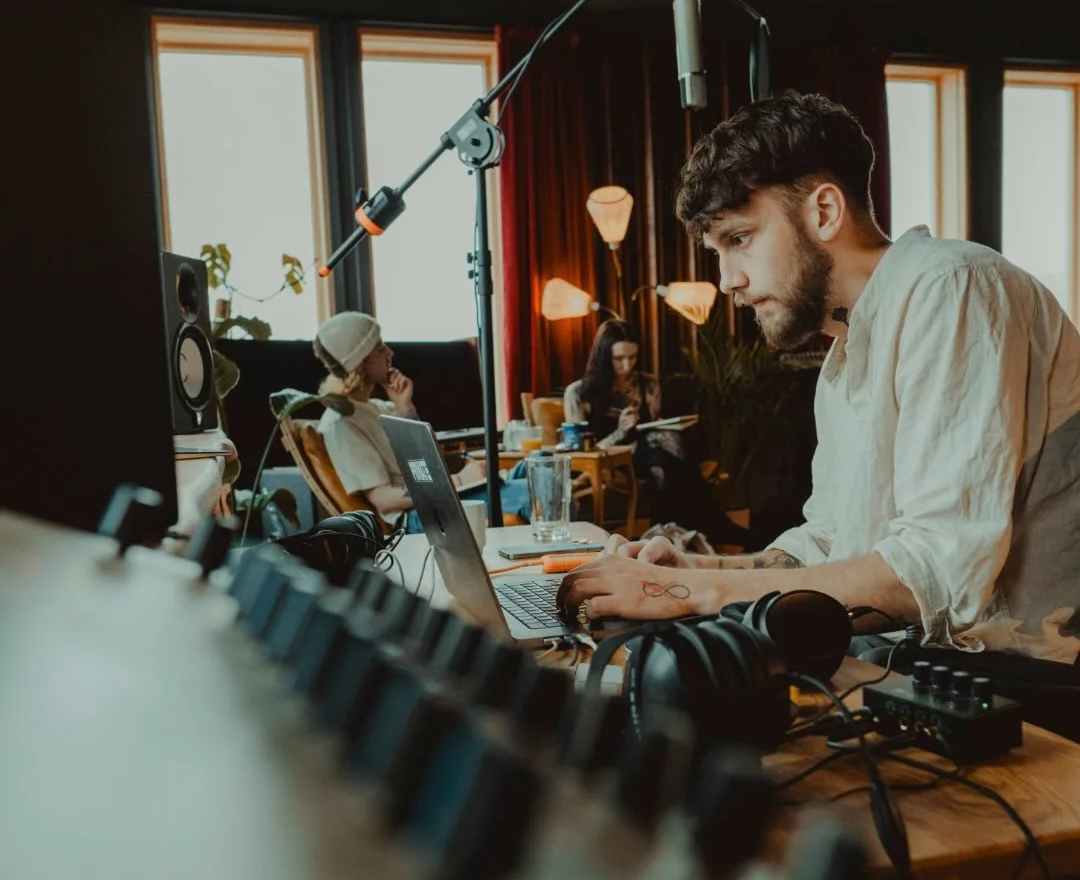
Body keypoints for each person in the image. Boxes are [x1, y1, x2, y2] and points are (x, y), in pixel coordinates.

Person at [559, 90, 1080, 671]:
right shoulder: (845, 358)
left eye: (739, 239)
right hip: (916, 657)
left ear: (825, 211)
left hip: (1018, 672)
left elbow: (932, 573)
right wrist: (692, 569)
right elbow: (829, 543)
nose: (727, 281)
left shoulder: (952, 287)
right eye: (716, 251)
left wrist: (690, 594)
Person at [313, 311, 529, 530]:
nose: (390, 352)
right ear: (359, 363)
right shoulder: (341, 424)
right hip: (419, 516)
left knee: (539, 466)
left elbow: (427, 467)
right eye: (379, 348)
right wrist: (461, 481)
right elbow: (385, 501)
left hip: (439, 499)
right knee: (537, 491)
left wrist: (406, 408)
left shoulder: (382, 408)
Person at [563, 318, 753, 546]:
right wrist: (620, 432)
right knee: (665, 464)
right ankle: (705, 530)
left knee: (664, 460)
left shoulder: (648, 385)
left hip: (650, 455)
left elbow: (654, 429)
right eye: (619, 359)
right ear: (603, 357)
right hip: (613, 461)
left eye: (632, 357)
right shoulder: (578, 394)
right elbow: (580, 453)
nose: (627, 365)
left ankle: (667, 538)